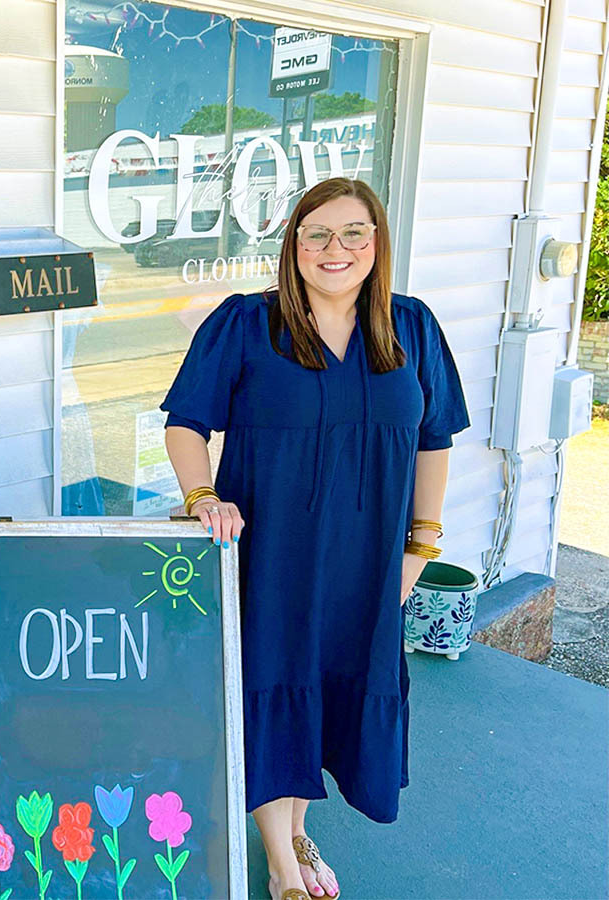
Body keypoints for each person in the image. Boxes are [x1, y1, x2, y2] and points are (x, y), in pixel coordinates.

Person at [160, 177, 471, 900]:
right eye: (318, 234)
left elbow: (435, 442)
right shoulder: (245, 324)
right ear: (293, 246)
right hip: (273, 557)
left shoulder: (413, 326)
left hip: (370, 564)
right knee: (276, 685)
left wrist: (419, 549)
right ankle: (280, 863)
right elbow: (185, 422)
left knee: (328, 694)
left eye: (354, 232)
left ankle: (299, 831)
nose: (337, 249)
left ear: (378, 243)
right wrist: (204, 496)